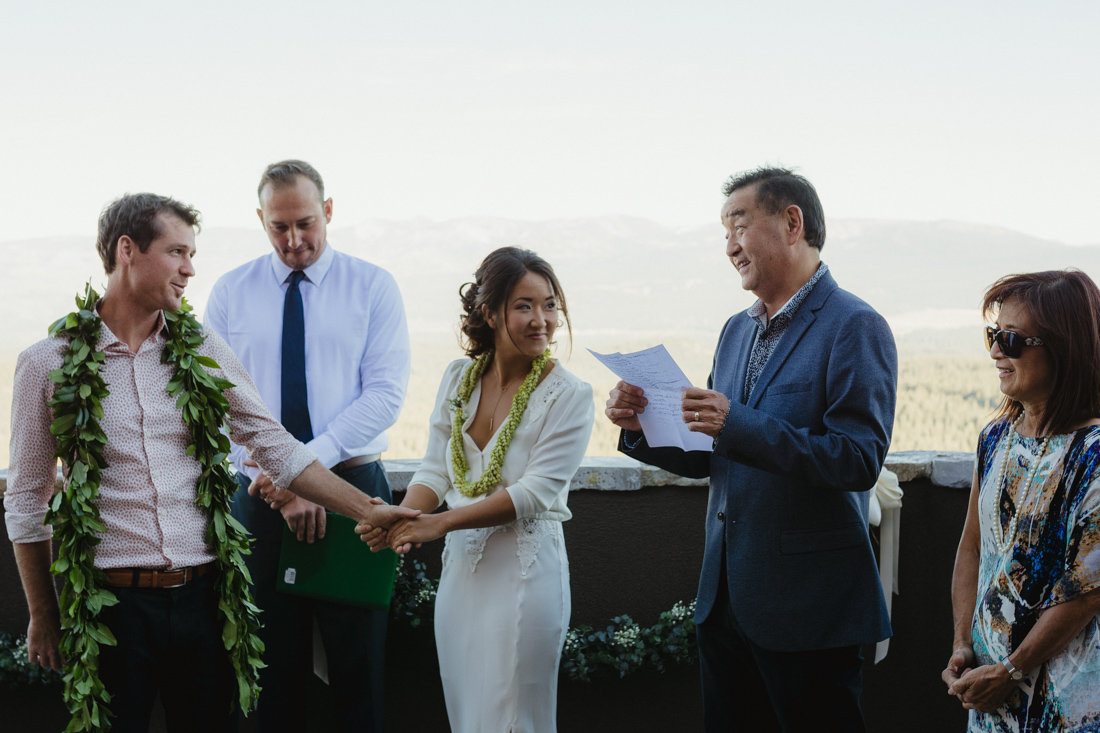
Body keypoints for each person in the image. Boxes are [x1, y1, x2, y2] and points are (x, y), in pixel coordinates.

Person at [3, 193, 416, 733]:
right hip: (109, 608)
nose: (190, 269)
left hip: (205, 602)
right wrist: (43, 614)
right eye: (177, 252)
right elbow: (27, 500)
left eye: (192, 254)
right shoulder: (46, 364)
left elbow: (275, 446)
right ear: (128, 250)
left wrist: (369, 509)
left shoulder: (204, 353)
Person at [604, 167, 896, 732]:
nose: (730, 246)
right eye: (724, 232)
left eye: (738, 225)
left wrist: (737, 424)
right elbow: (713, 452)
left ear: (792, 222)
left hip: (808, 611)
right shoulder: (735, 330)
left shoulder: (855, 326)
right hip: (725, 603)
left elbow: (857, 460)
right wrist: (641, 425)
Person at [204, 160, 410, 732]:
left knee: (358, 672)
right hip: (259, 497)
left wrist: (303, 468)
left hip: (354, 495)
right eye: (278, 227)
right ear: (260, 220)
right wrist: (277, 478)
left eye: (305, 223)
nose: (294, 240)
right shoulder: (229, 292)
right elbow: (215, 401)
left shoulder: (373, 286)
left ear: (329, 211)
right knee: (265, 676)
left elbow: (386, 395)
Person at [358, 246, 594, 732]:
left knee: (511, 720)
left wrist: (438, 523)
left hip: (526, 577)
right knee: (469, 715)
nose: (541, 319)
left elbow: (535, 493)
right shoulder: (457, 378)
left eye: (549, 304)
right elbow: (435, 470)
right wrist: (402, 519)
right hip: (462, 578)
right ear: (489, 312)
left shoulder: (570, 395)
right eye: (523, 305)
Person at [942, 270, 1100, 731]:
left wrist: (1011, 670)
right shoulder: (995, 439)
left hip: (1064, 706)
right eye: (993, 335)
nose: (995, 351)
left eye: (1011, 340)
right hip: (991, 694)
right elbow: (973, 547)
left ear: (1063, 349)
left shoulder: (1092, 455)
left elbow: (1085, 593)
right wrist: (962, 645)